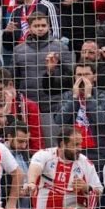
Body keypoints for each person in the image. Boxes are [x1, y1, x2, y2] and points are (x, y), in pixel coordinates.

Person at [13, 11, 72, 147]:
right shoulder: (18, 50)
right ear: (30, 27)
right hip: (27, 107)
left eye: (43, 25)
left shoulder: (60, 48)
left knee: (53, 146)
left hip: (52, 106)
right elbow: (15, 79)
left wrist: (51, 73)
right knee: (30, 147)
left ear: (49, 26)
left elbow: (70, 76)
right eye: (36, 25)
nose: (40, 28)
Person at [23, 125, 103, 209]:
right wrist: (32, 183)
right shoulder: (45, 155)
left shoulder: (85, 163)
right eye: (75, 145)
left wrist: (86, 187)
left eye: (80, 144)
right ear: (62, 144)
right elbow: (35, 167)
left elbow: (99, 191)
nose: (80, 148)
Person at [59, 62, 105, 171]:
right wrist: (74, 98)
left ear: (95, 77)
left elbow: (102, 119)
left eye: (86, 75)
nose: (82, 79)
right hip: (71, 149)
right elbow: (59, 119)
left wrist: (88, 97)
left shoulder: (104, 96)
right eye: (79, 75)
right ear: (74, 77)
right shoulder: (67, 96)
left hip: (97, 150)